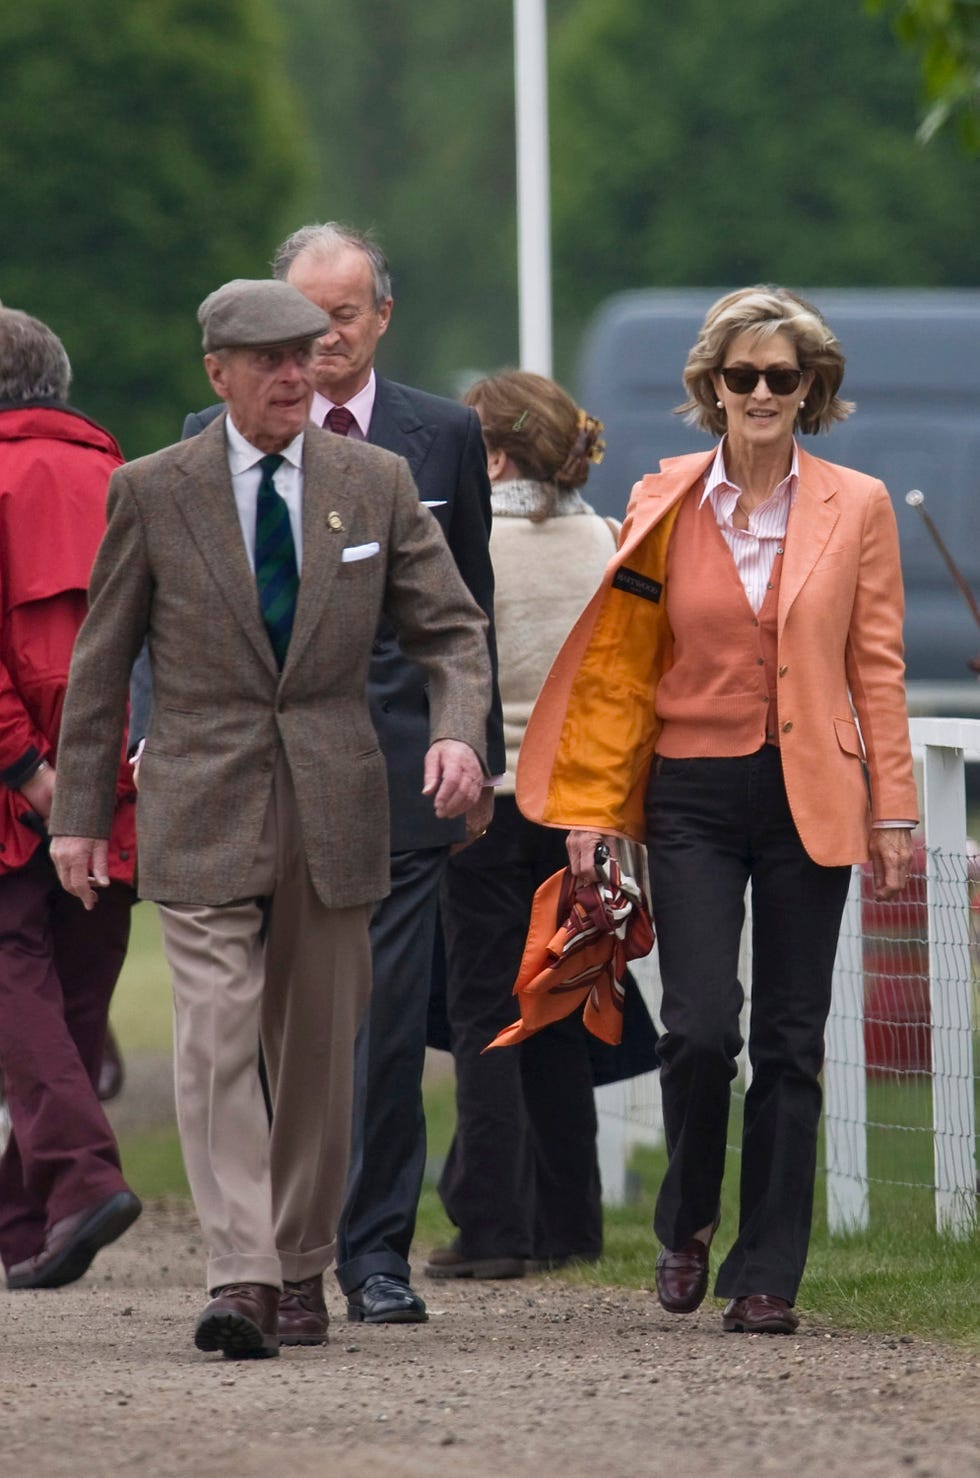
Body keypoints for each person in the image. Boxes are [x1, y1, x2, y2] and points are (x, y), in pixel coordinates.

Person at [48, 278, 492, 1360]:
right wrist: (77, 813)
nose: (299, 374)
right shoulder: (154, 490)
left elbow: (451, 630)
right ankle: (240, 1270)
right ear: (218, 373)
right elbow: (102, 661)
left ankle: (302, 1263)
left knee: (315, 1050)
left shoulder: (373, 481)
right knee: (210, 1035)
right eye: (272, 360)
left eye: (308, 354)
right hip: (201, 790)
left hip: (340, 794)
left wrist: (458, 733)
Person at [516, 286, 918, 1334]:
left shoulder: (857, 504)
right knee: (698, 1028)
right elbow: (620, 666)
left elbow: (876, 668)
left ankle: (766, 1269)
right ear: (710, 387)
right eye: (740, 375)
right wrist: (597, 804)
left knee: (790, 1039)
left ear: (809, 389)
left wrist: (894, 814)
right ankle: (687, 1214)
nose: (759, 392)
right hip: (690, 789)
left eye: (780, 377)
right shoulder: (662, 498)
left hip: (810, 794)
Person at [174, 222, 504, 1326]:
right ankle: (267, 1249)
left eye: (340, 317)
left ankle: (369, 1253)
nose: (315, 342)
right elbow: (148, 623)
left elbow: (461, 614)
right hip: (239, 785)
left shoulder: (438, 438)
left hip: (395, 778)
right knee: (249, 1022)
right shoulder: (194, 448)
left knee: (379, 1024)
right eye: (295, 320)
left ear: (381, 316)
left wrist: (469, 745)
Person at [426, 371, 613, 1280]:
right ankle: (572, 1222)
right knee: (562, 1008)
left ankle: (493, 1225)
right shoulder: (607, 539)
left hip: (485, 805)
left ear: (491, 453)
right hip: (578, 806)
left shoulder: (466, 540)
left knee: (484, 1015)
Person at [0, 307, 141, 1291]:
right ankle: (26, 1220)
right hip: (123, 774)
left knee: (15, 981)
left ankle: (81, 1180)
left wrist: (22, 766)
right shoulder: (129, 481)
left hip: (14, 781)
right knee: (77, 998)